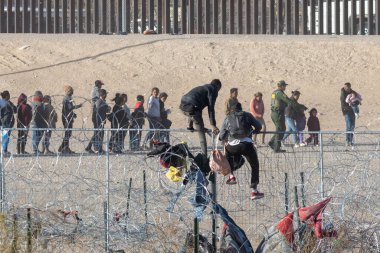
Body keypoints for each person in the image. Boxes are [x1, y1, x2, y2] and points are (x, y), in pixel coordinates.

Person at [219, 103, 264, 200]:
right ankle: (254, 190)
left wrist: (226, 136)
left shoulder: (228, 118)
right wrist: (254, 131)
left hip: (232, 146)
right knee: (254, 165)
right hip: (246, 145)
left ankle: (231, 176)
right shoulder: (247, 115)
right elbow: (259, 126)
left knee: (228, 153)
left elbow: (221, 136)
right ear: (241, 109)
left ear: (231, 110)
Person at [180, 79, 222, 155]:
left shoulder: (204, 87)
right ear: (218, 86)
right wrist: (213, 125)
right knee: (201, 135)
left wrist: (191, 125)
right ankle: (204, 157)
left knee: (193, 112)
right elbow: (211, 108)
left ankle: (189, 126)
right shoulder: (213, 89)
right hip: (193, 107)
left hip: (183, 105)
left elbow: (193, 103)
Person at [268, 80, 297, 153]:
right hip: (278, 114)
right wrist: (293, 98)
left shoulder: (274, 92)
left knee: (281, 128)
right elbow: (288, 101)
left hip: (275, 113)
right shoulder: (280, 93)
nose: (285, 87)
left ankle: (272, 142)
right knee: (280, 129)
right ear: (281, 86)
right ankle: (276, 147)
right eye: (284, 86)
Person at [59, 85, 82, 154]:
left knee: (68, 133)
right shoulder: (67, 98)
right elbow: (69, 108)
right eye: (71, 91)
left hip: (66, 117)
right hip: (67, 118)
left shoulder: (67, 98)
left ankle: (63, 147)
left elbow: (67, 109)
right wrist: (78, 106)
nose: (72, 92)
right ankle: (65, 148)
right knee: (68, 133)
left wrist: (73, 114)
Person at [86, 89, 110, 154]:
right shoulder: (99, 101)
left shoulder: (102, 101)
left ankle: (91, 147)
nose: (106, 95)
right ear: (104, 95)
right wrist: (107, 108)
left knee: (97, 133)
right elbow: (97, 110)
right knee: (98, 134)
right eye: (106, 94)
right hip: (98, 120)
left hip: (100, 120)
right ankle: (97, 148)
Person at [30, 90, 48, 155]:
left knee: (37, 136)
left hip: (39, 123)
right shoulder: (37, 104)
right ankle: (34, 150)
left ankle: (35, 149)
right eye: (41, 96)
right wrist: (34, 121)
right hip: (37, 123)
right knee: (36, 136)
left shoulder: (36, 103)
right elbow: (34, 114)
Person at [0, 91, 17, 156]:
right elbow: (15, 110)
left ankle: (3, 150)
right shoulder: (8, 103)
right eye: (9, 95)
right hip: (7, 122)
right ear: (7, 96)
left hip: (2, 122)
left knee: (3, 136)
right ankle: (4, 151)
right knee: (5, 137)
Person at [340, 82, 356, 147]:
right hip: (346, 111)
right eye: (344, 87)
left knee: (352, 126)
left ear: (349, 87)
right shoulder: (343, 93)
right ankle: (347, 140)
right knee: (348, 126)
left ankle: (351, 140)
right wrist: (343, 112)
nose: (345, 88)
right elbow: (342, 104)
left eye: (346, 87)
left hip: (353, 111)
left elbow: (357, 97)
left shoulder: (352, 92)